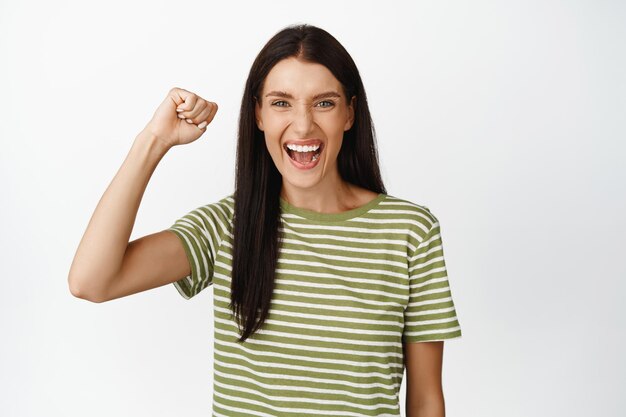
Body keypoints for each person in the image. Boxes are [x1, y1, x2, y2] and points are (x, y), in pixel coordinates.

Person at [68, 23, 462, 417]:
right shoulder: (229, 225)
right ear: (258, 114)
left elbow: (426, 400)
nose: (303, 124)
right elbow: (91, 281)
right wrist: (154, 140)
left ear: (349, 113)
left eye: (324, 103)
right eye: (281, 103)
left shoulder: (409, 231)